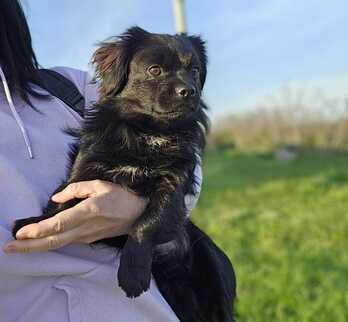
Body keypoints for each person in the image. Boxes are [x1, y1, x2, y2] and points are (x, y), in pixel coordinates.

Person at [0, 1, 202, 321]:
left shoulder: (68, 88)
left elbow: (189, 172)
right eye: (155, 70)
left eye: (193, 73)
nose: (186, 86)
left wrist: (137, 212)